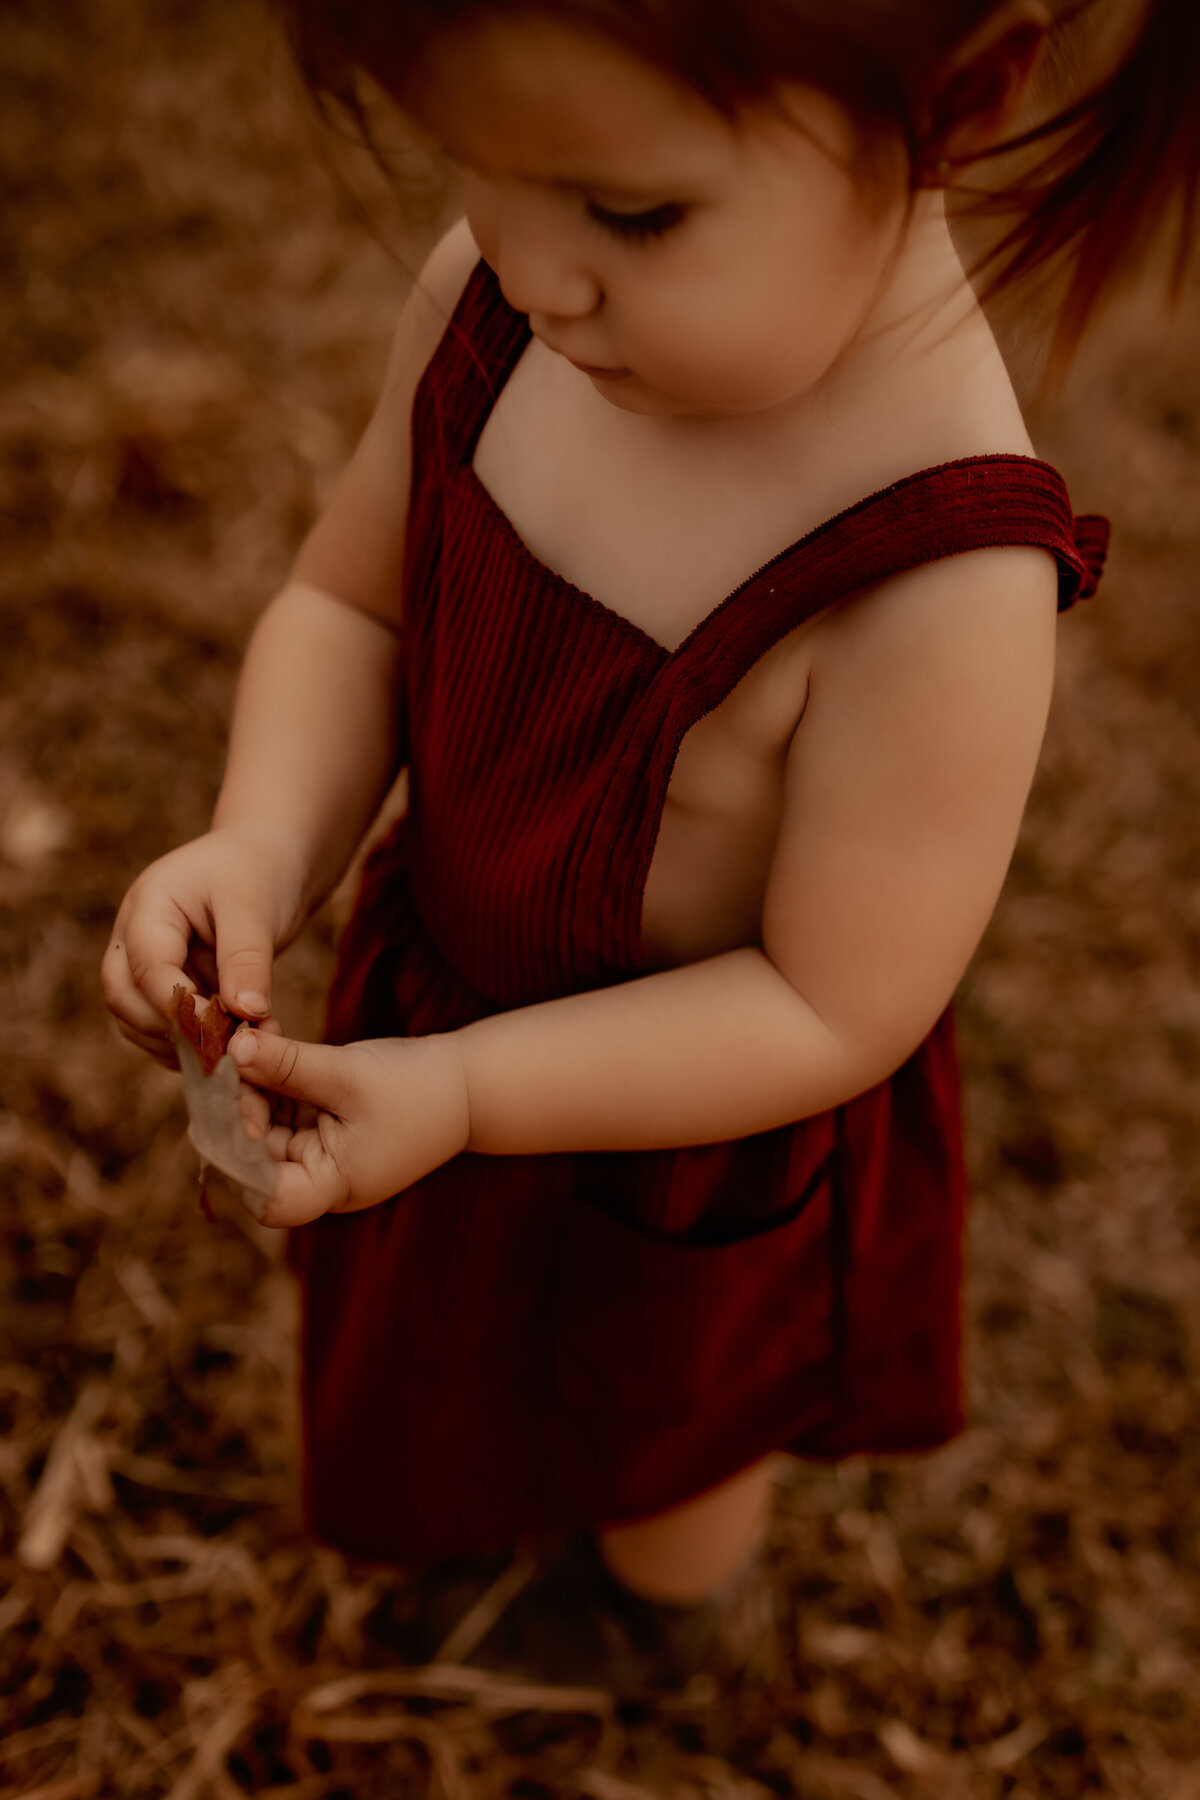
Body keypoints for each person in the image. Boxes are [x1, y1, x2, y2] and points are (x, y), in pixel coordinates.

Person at [102, 0, 1196, 1687]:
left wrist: (472, 1098)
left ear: (959, 106)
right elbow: (351, 609)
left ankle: (660, 1612)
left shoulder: (941, 579)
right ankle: (489, 1517)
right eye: (482, 165)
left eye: (633, 214)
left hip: (698, 1112)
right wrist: (262, 840)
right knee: (455, 1344)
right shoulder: (498, 298)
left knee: (668, 1418)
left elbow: (834, 1009)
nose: (538, 269)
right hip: (445, 1005)